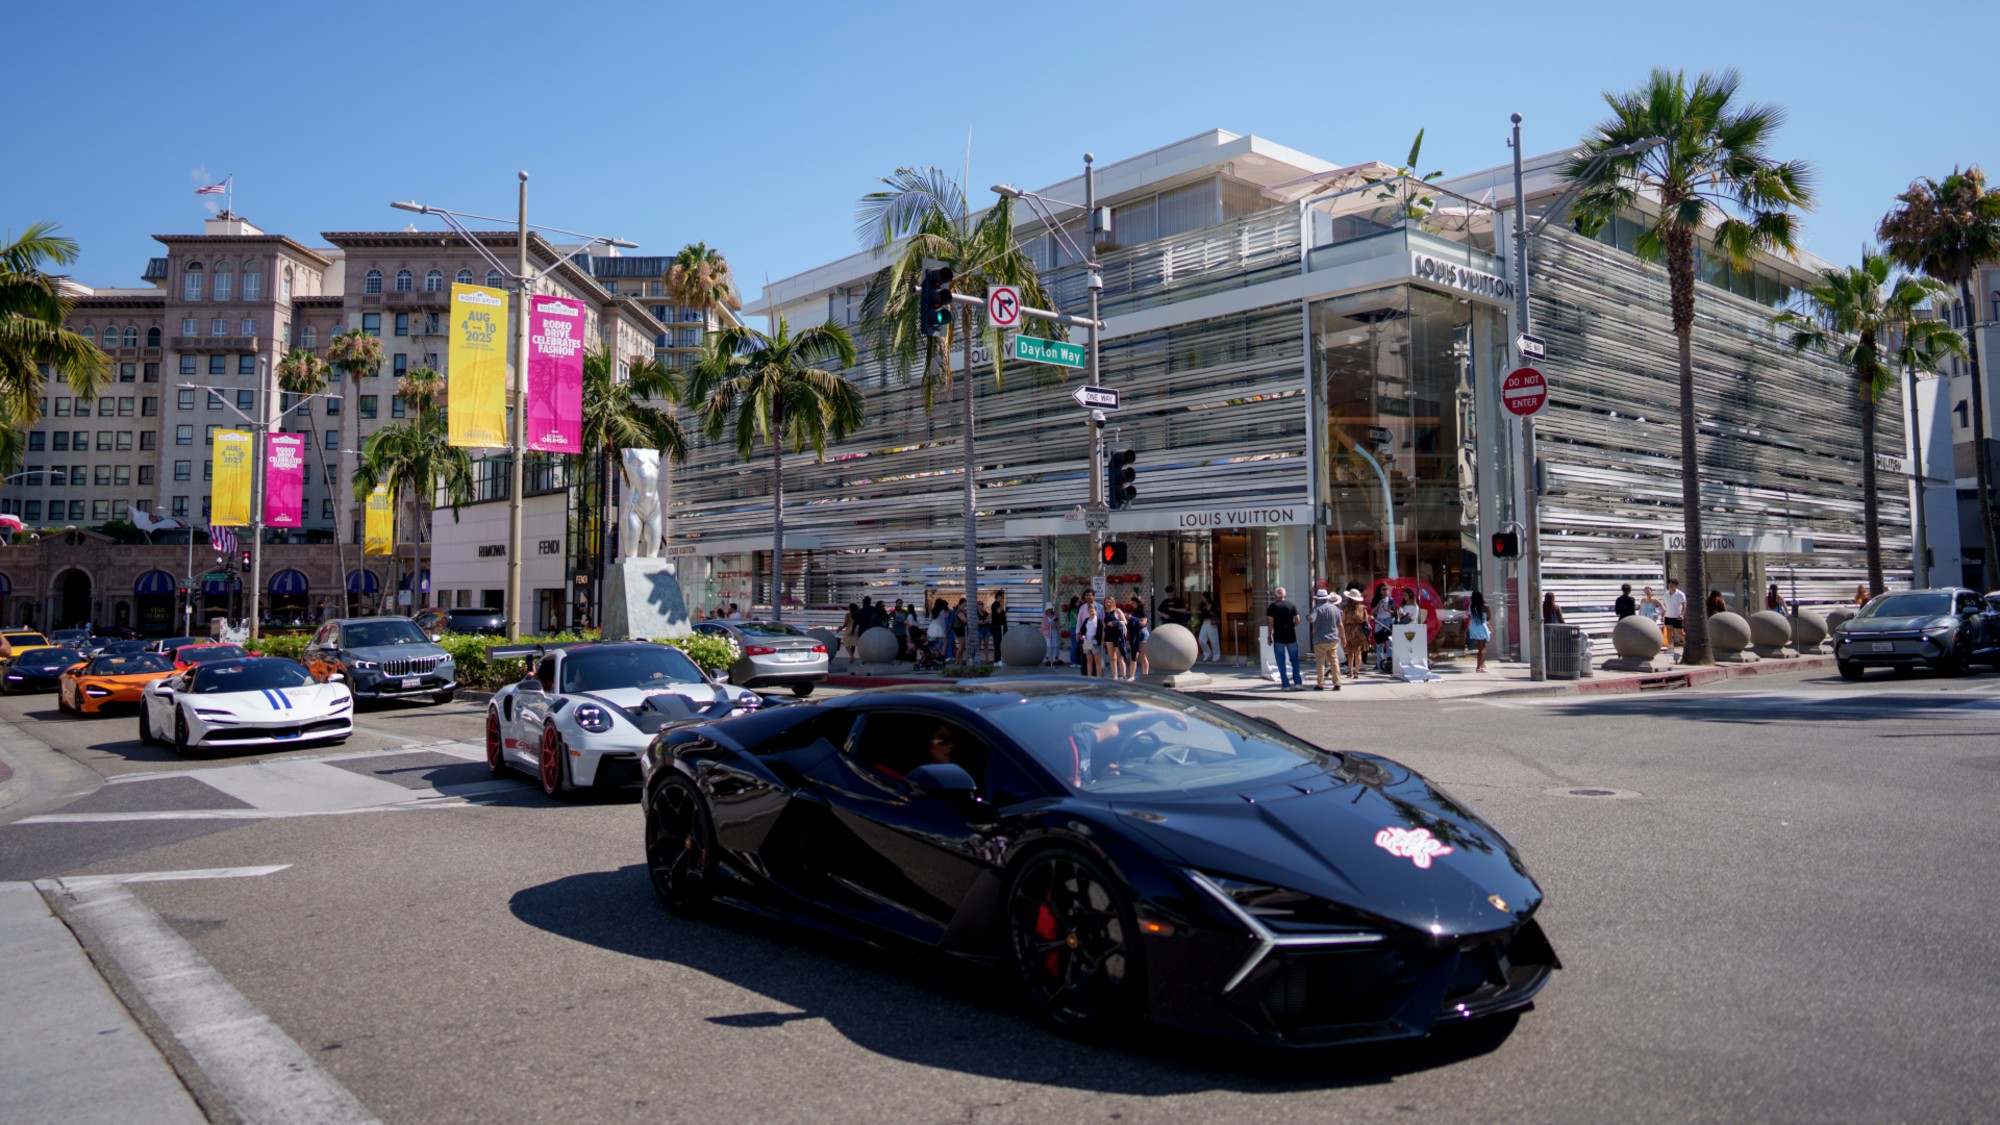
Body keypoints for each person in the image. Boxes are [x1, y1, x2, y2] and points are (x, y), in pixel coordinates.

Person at [1266, 586, 1302, 690]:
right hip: (1291, 635)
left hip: (1278, 636)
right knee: (1294, 660)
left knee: (1281, 661)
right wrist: (1292, 626)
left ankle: (1285, 684)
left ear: (1275, 596)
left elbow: (1270, 622)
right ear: (1285, 595)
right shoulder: (1291, 605)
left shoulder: (1272, 607)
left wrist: (1269, 635)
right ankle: (1298, 683)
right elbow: (1298, 619)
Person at [1308, 588, 1343, 691]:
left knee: (1320, 662)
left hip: (1319, 638)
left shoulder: (1316, 609)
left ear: (1318, 599)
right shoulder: (1335, 609)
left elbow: (1311, 619)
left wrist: (1307, 617)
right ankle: (1337, 682)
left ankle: (1320, 683)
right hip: (1332, 638)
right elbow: (1340, 625)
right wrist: (1343, 637)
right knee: (1334, 660)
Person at [1342, 586, 1370, 680]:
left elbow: (1343, 620)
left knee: (1356, 652)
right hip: (1355, 631)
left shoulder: (1347, 608)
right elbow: (1365, 619)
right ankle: (1352, 670)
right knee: (1352, 652)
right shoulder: (1360, 608)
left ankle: (1355, 671)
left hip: (1354, 631)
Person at [1101, 603, 1129, 680]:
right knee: (1112, 657)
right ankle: (1115, 676)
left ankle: (1124, 676)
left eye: (1110, 602)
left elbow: (1125, 622)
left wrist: (1114, 623)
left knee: (1120, 657)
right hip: (1108, 636)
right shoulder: (1104, 612)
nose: (1108, 603)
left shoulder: (1117, 611)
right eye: (1106, 602)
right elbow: (1104, 627)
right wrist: (1102, 640)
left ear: (1113, 602)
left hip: (1117, 636)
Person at [1370, 587, 1395, 673]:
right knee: (1379, 642)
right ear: (1379, 591)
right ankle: (1379, 663)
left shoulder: (1390, 599)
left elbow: (1394, 612)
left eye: (1386, 589)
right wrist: (1379, 603)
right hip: (1379, 620)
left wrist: (1388, 609)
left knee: (1389, 642)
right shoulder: (1376, 599)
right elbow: (1372, 612)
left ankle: (1389, 662)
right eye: (1382, 589)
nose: (1384, 591)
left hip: (1388, 619)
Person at [1076, 591, 1101, 677]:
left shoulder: (1100, 609)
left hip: (1095, 642)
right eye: (1087, 595)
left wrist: (1098, 638)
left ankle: (1098, 676)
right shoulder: (1083, 609)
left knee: (1097, 659)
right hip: (1086, 641)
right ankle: (1087, 675)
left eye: (1090, 595)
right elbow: (1080, 622)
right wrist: (1079, 634)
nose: (1088, 597)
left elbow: (1102, 628)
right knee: (1087, 658)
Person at [1466, 590, 1491, 673]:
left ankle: (1483, 664)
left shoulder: (1471, 607)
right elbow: (1489, 617)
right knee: (1482, 647)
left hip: (1474, 626)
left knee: (1481, 646)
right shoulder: (1484, 606)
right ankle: (1478, 666)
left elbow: (1469, 616)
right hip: (1482, 626)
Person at [1660, 578, 1687, 650]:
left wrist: (1682, 614)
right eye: (1669, 583)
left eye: (1673, 584)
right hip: (1668, 616)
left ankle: (1688, 644)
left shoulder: (1680, 594)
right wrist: (1662, 615)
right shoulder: (1665, 594)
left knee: (1680, 632)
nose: (1671, 585)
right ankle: (1671, 647)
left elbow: (1684, 605)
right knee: (1669, 631)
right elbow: (1664, 606)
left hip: (1677, 616)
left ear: (1676, 585)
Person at [1128, 600, 1150, 678]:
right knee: (1134, 655)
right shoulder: (1134, 611)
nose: (1132, 605)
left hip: (1142, 632)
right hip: (1135, 633)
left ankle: (1145, 675)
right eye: (1132, 603)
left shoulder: (1142, 611)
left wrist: (1132, 619)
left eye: (1134, 603)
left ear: (1138, 603)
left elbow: (1143, 623)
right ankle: (1132, 676)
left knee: (1142, 656)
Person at [1195, 596, 1220, 662]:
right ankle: (1207, 654)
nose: (1202, 599)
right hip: (1204, 623)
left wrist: (1211, 612)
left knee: (1214, 640)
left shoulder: (1212, 605)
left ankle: (1216, 655)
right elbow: (1200, 614)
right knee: (1201, 639)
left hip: (1211, 623)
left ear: (1206, 598)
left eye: (1203, 597)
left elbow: (1215, 613)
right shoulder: (1202, 606)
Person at [990, 591, 1007, 662]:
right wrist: (1002, 603)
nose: (1003, 598)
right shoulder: (995, 604)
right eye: (1002, 597)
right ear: (999, 596)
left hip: (1002, 628)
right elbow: (998, 611)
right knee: (997, 644)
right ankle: (997, 660)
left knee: (1001, 644)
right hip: (997, 628)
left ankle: (1000, 659)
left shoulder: (999, 605)